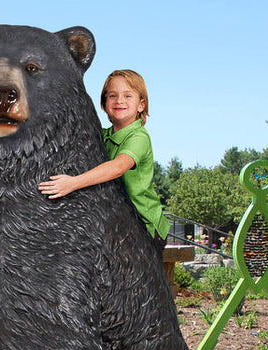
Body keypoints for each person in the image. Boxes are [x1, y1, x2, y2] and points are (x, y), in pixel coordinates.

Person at [38, 69, 169, 255]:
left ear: (141, 105)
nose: (119, 100)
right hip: (115, 220)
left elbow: (117, 167)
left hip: (143, 225)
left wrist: (73, 183)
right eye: (112, 95)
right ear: (104, 104)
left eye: (128, 95)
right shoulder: (104, 136)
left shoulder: (138, 137)